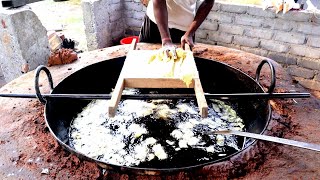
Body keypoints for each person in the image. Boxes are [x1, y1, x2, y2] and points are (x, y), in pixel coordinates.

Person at [139, 0, 215, 56]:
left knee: (179, 70)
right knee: (146, 62)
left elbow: (208, 2)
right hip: (156, 25)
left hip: (184, 31)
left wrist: (190, 33)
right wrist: (166, 39)